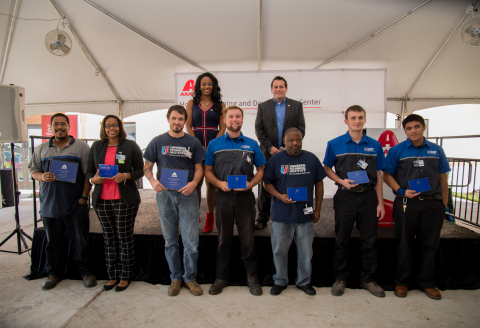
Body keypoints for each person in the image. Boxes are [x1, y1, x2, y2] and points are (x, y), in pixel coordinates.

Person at [383, 114, 450, 300]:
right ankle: (402, 282)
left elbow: (443, 177)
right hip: (407, 203)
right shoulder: (397, 151)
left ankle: (427, 282)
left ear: (423, 127)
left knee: (430, 244)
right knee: (404, 243)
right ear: (405, 130)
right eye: (409, 128)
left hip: (433, 204)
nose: (414, 130)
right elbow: (386, 176)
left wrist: (443, 203)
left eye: (417, 127)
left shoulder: (437, 150)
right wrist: (402, 191)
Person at [323, 105, 386, 298]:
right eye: (353, 118)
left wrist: (381, 203)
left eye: (360, 118)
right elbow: (327, 168)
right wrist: (341, 180)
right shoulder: (335, 144)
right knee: (342, 238)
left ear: (365, 120)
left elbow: (378, 174)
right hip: (345, 196)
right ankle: (341, 278)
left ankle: (368, 279)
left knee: (370, 240)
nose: (357, 121)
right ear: (346, 121)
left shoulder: (375, 145)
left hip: (368, 197)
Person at [28, 113, 96, 290]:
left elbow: (88, 175)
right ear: (51, 127)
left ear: (68, 126)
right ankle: (54, 274)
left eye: (63, 124)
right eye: (56, 124)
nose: (59, 127)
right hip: (50, 204)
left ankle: (86, 272)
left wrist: (83, 198)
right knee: (54, 242)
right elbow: (33, 171)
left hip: (75, 204)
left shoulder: (81, 147)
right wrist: (42, 176)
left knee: (81, 240)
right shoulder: (42, 149)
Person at [143, 105, 205, 296]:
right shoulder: (157, 141)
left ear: (185, 121)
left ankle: (190, 278)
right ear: (168, 119)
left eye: (180, 119)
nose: (177, 122)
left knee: (191, 241)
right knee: (170, 240)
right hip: (165, 195)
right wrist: (152, 180)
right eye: (174, 118)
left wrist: (194, 183)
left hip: (187, 194)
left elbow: (199, 168)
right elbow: (147, 166)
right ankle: (175, 277)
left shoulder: (193, 142)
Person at [205, 105, 266, 296]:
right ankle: (221, 277)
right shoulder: (214, 145)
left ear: (242, 119)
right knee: (223, 240)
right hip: (222, 197)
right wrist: (218, 184)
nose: (234, 120)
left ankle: (252, 277)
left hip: (245, 199)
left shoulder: (252, 144)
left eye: (238, 116)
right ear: (224, 120)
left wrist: (251, 185)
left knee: (248, 240)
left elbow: (261, 170)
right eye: (230, 116)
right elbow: (207, 171)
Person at [263, 128, 327, 296]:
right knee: (279, 251)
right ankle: (280, 280)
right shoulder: (275, 160)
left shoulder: (311, 158)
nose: (295, 143)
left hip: (305, 215)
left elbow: (319, 183)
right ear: (284, 141)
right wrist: (280, 196)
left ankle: (304, 281)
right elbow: (267, 184)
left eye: (298, 140)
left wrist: (318, 209)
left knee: (306, 252)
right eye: (291, 140)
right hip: (281, 215)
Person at [86, 115, 144, 292]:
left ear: (120, 126)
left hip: (124, 199)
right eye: (108, 125)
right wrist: (93, 180)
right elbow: (89, 171)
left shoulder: (130, 145)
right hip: (102, 200)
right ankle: (112, 275)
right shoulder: (96, 146)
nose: (111, 128)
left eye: (115, 125)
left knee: (124, 238)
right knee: (108, 238)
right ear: (103, 128)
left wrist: (125, 176)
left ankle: (125, 275)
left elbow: (140, 171)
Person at [254, 76, 305, 229]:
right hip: (268, 152)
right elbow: (259, 129)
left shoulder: (296, 106)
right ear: (271, 89)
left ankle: (290, 215)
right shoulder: (263, 107)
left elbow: (301, 129)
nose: (278, 89)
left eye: (281, 86)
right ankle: (262, 218)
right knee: (265, 183)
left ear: (286, 88)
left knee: (289, 182)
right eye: (275, 87)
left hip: (290, 153)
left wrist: (288, 147)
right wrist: (270, 147)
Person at [186, 72, 226, 233]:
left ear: (214, 85)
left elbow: (222, 127)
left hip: (213, 146)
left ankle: (210, 216)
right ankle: (195, 215)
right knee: (196, 182)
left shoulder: (220, 104)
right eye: (203, 84)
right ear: (198, 86)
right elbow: (188, 125)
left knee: (211, 184)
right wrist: (196, 143)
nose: (207, 86)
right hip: (195, 145)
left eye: (209, 84)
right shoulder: (191, 103)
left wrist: (212, 145)